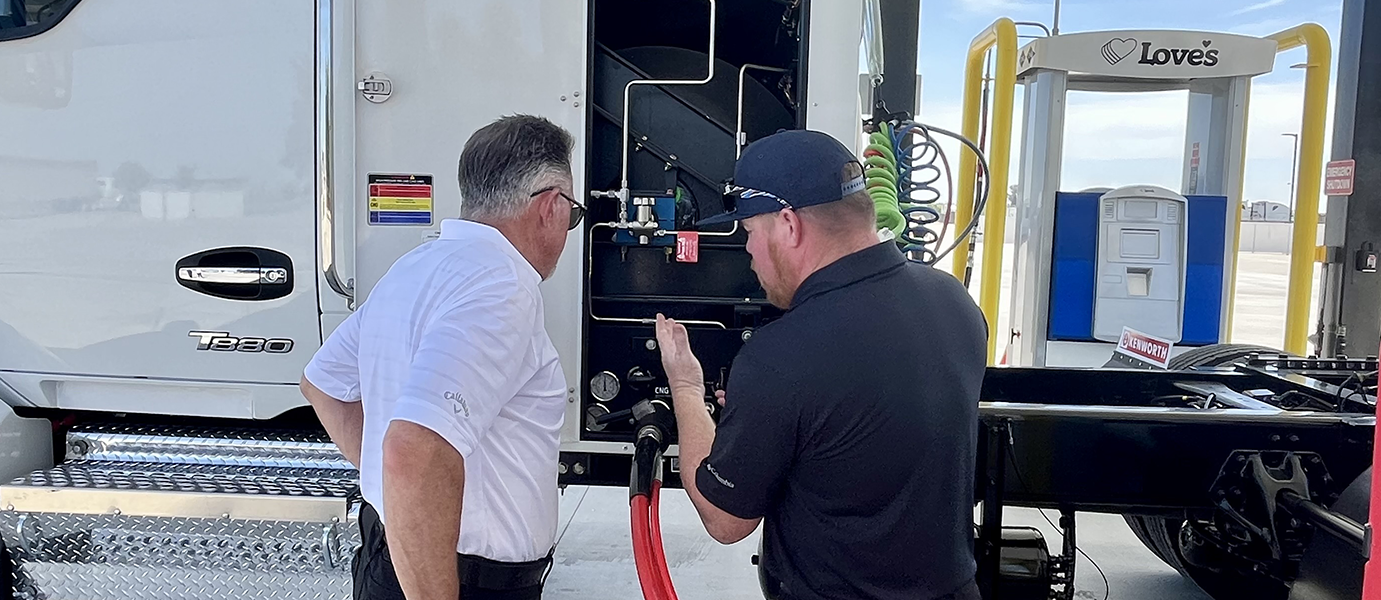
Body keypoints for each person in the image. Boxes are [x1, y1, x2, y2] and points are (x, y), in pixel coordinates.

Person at [652, 130, 989, 599]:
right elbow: (865, 424)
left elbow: (725, 519)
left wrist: (687, 387)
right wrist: (770, 417)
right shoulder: (955, 303)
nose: (748, 252)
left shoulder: (781, 357)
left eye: (749, 232)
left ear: (789, 225)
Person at [300, 115, 585, 600]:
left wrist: (389, 488)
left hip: (391, 560)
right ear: (550, 206)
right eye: (573, 213)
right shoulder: (502, 285)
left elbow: (322, 382)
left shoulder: (416, 265)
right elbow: (412, 450)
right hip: (458, 579)